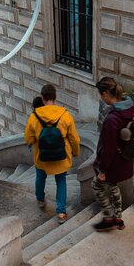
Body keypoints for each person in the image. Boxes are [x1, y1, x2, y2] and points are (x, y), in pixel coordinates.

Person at [24, 84, 80, 224]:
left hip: (42, 157)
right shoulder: (65, 115)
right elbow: (74, 138)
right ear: (55, 98)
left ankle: (41, 200)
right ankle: (61, 212)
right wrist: (75, 151)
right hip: (61, 156)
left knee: (40, 177)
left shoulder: (34, 116)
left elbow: (28, 138)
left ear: (42, 98)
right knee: (61, 181)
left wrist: (34, 141)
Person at [92, 76, 134, 232]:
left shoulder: (113, 119)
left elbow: (109, 149)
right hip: (124, 160)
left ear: (105, 94)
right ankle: (118, 218)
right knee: (113, 185)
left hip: (113, 163)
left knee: (97, 185)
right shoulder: (129, 108)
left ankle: (109, 219)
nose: (101, 98)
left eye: (100, 95)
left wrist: (102, 170)